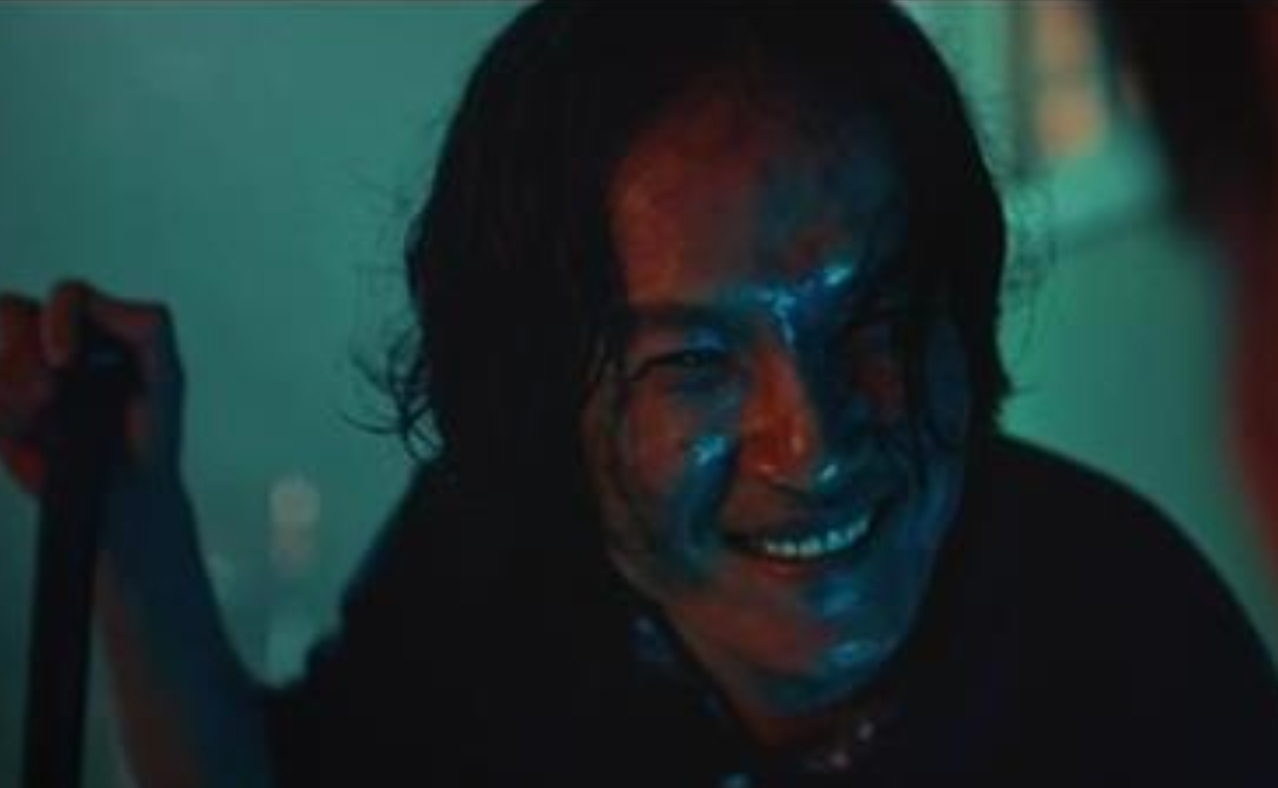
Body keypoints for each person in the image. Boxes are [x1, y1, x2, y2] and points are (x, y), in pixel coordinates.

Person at [2, 2, 1276, 786]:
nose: (813, 441)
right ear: (544, 404)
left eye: (879, 320)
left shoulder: (1129, 651)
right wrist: (132, 522)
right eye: (694, 363)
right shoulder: (496, 568)